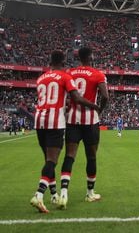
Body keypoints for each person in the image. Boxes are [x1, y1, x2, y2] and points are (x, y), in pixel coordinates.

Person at [30, 50, 99, 214]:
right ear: (64, 61)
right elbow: (76, 98)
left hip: (39, 120)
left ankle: (54, 195)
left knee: (48, 160)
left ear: (49, 61)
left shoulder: (40, 78)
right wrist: (95, 106)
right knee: (52, 161)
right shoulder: (65, 76)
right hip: (56, 121)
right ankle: (39, 195)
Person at [59, 47, 109, 209]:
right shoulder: (98, 74)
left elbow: (65, 95)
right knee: (91, 157)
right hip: (90, 122)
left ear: (79, 57)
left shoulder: (69, 72)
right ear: (91, 57)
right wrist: (99, 109)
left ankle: (63, 193)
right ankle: (89, 193)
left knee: (70, 156)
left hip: (72, 120)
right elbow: (105, 96)